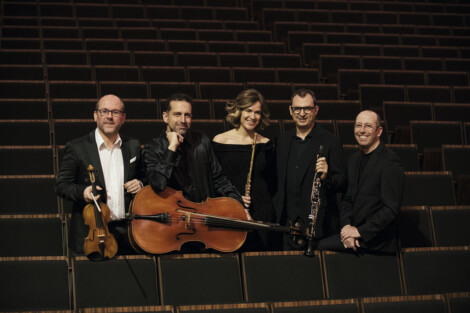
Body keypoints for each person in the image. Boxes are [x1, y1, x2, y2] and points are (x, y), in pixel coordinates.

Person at [55, 94, 146, 257]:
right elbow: (62, 185)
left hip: (129, 233)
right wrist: (83, 192)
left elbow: (146, 178)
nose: (109, 117)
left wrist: (140, 183)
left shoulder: (133, 145)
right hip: (92, 234)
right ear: (95, 115)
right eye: (104, 111)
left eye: (115, 112)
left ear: (123, 118)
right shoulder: (77, 147)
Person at [142, 93, 245, 234]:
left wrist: (239, 207)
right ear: (165, 117)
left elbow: (219, 179)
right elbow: (158, 184)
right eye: (177, 114)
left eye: (187, 115)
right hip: (174, 228)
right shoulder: (153, 148)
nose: (183, 120)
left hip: (206, 221)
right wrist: (172, 148)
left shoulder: (201, 140)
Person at [317, 110, 404, 254]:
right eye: (358, 126)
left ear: (379, 131)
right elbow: (347, 200)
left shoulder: (390, 161)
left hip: (377, 240)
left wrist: (359, 232)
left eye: (368, 126)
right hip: (354, 234)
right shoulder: (353, 159)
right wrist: (346, 230)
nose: (362, 131)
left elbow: (391, 209)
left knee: (319, 247)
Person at [274, 89, 346, 251]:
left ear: (316, 110)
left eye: (307, 108)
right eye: (297, 109)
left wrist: (327, 176)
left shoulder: (331, 141)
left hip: (317, 229)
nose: (302, 113)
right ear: (290, 111)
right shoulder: (282, 141)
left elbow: (341, 182)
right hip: (286, 228)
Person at [212, 89, 277, 251]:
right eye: (248, 110)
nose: (252, 116)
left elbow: (272, 182)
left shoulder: (266, 144)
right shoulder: (220, 141)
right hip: (229, 209)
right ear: (238, 111)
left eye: (257, 112)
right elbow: (214, 179)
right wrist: (233, 199)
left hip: (261, 212)